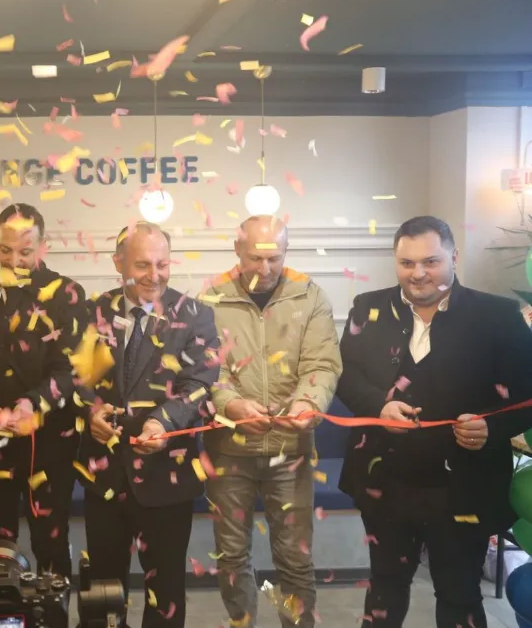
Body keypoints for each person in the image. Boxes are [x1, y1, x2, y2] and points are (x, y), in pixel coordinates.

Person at [337, 215, 532, 628]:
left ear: (454, 257)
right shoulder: (367, 308)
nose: (418, 273)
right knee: (385, 590)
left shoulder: (498, 316)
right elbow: (346, 376)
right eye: (407, 263)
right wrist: (379, 407)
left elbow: (529, 395)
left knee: (460, 597)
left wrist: (492, 428)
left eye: (431, 261)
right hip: (385, 483)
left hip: (464, 487)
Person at [78, 222, 220, 628]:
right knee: (103, 592)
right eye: (142, 265)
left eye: (162, 264)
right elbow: (75, 377)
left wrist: (162, 422)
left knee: (166, 594)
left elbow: (199, 383)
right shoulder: (92, 312)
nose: (154, 275)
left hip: (166, 477)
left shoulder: (196, 315)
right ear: (118, 262)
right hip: (104, 476)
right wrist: (90, 413)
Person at [203, 216, 341, 627]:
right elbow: (205, 371)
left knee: (294, 558)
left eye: (274, 259)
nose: (264, 269)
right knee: (231, 557)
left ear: (286, 252)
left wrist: (307, 403)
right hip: (229, 451)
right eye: (255, 258)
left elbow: (321, 364)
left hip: (291, 450)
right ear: (237, 250)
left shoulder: (309, 296)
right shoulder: (209, 299)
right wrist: (230, 405)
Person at [0, 203, 86, 576]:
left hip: (49, 441)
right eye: (4, 250)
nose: (14, 261)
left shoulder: (67, 293)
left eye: (25, 252)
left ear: (42, 246)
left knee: (51, 543)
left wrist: (33, 404)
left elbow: (70, 368)